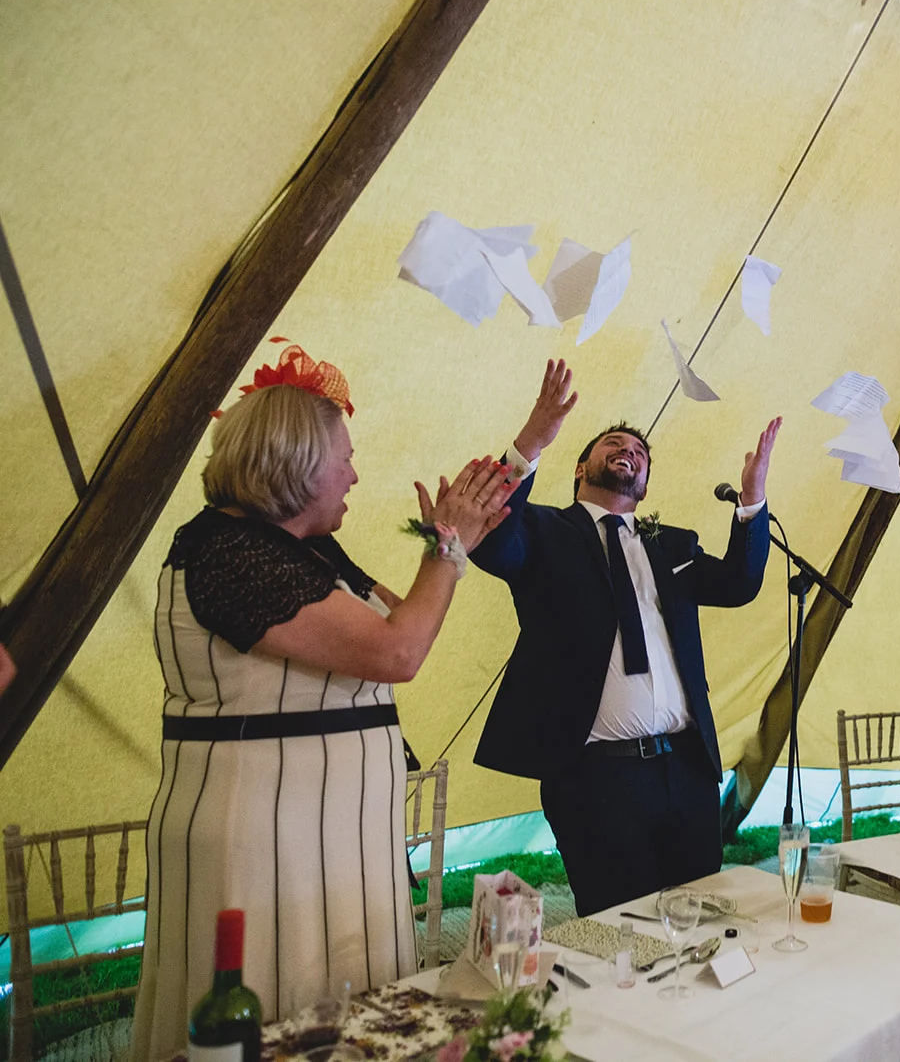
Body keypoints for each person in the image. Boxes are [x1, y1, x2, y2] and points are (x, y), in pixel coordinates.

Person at [132, 346, 510, 1061]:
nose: (356, 473)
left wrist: (447, 546)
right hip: (267, 844)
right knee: (275, 1011)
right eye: (346, 456)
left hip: (329, 839)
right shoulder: (229, 554)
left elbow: (404, 619)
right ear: (298, 462)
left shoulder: (309, 550)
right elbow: (398, 653)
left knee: (346, 1010)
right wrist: (448, 546)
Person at [471, 359, 781, 915]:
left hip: (686, 770)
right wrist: (528, 446)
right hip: (596, 779)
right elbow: (491, 541)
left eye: (640, 453)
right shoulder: (544, 531)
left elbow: (739, 584)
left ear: (645, 483)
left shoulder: (671, 544)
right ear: (580, 467)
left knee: (697, 922)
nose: (629, 451)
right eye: (614, 443)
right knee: (618, 936)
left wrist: (752, 501)